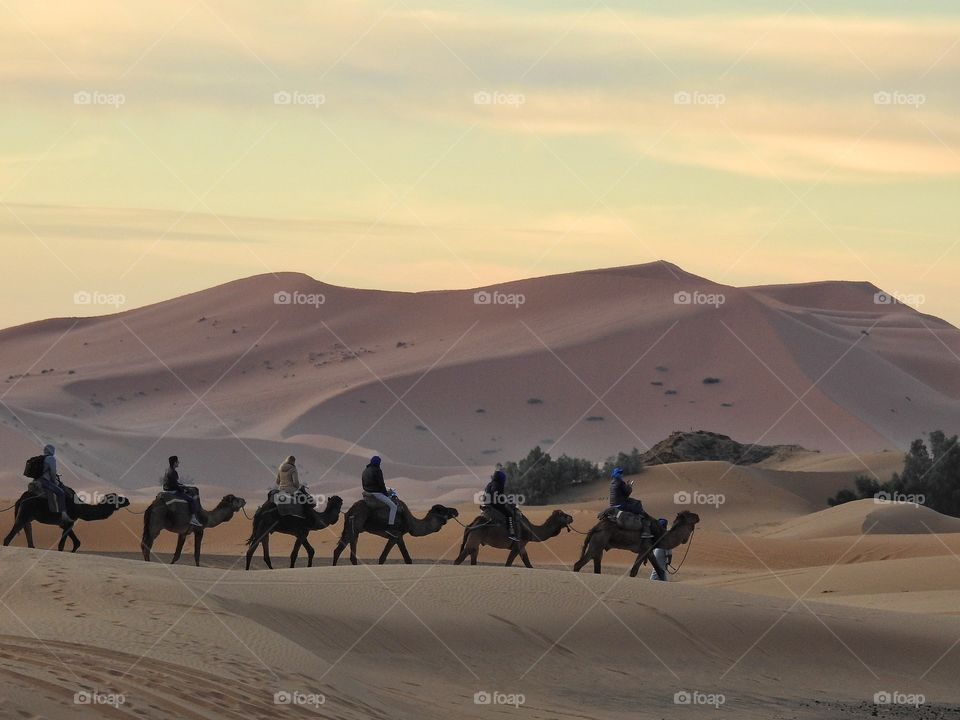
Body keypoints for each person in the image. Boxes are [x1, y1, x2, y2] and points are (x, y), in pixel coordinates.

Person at [609, 467, 653, 538]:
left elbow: (621, 494)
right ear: (616, 474)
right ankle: (645, 531)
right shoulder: (620, 482)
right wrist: (629, 486)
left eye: (621, 473)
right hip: (621, 505)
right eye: (620, 473)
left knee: (634, 501)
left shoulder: (612, 482)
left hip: (613, 505)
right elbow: (627, 492)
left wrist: (626, 486)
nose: (621, 474)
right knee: (638, 506)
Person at [162, 456, 202, 528]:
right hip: (172, 490)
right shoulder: (173, 472)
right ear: (174, 463)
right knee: (191, 500)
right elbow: (174, 485)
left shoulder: (167, 470)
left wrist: (183, 486)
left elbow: (174, 482)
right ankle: (193, 518)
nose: (178, 463)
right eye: (177, 462)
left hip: (166, 489)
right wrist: (183, 489)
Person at [481, 470, 519, 541]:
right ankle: (511, 533)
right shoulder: (498, 485)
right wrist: (506, 501)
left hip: (486, 504)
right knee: (509, 515)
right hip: (494, 505)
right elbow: (498, 497)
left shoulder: (489, 484)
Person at [39, 444, 71, 524]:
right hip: (46, 481)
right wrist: (54, 481)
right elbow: (53, 472)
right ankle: (63, 516)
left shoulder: (42, 458)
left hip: (38, 481)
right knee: (61, 493)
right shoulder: (51, 458)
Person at [361, 456, 397, 526]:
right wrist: (386, 494)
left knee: (390, 490)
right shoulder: (377, 470)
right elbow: (381, 484)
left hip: (367, 492)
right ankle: (391, 525)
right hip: (376, 493)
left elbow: (363, 484)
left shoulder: (365, 470)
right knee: (393, 506)